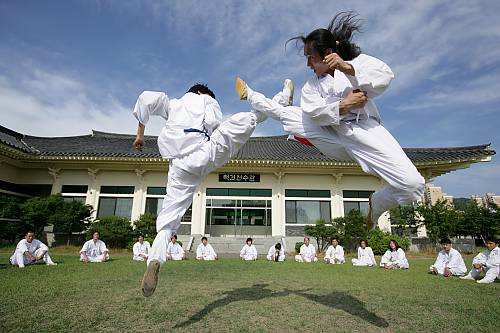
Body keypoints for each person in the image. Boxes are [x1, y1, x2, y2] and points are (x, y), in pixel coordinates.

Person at [236, 12, 425, 230]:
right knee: (287, 114)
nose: (308, 64)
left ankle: (378, 202)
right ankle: (251, 95)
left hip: (365, 131)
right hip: (330, 132)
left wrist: (347, 68)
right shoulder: (311, 86)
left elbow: (385, 76)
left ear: (327, 54)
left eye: (311, 57)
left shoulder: (357, 63)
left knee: (413, 186)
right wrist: (344, 105)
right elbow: (315, 112)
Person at [132, 83, 268, 297]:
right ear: (203, 92)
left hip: (177, 164)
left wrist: (140, 134)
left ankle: (155, 259)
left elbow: (145, 98)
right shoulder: (207, 100)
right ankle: (269, 108)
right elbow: (214, 123)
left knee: (168, 220)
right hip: (202, 153)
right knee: (238, 124)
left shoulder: (173, 104)